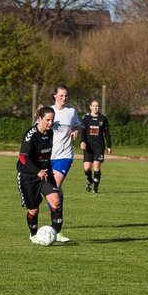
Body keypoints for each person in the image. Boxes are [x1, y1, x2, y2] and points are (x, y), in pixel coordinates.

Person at [17, 106, 63, 243]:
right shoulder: (30, 134)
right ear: (40, 119)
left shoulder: (50, 133)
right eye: (47, 120)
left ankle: (55, 233)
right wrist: (37, 171)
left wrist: (46, 171)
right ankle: (33, 235)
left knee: (56, 202)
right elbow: (23, 158)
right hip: (28, 176)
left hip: (45, 175)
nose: (50, 123)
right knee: (34, 210)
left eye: (52, 120)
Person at [48, 85, 81, 241]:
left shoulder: (71, 111)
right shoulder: (48, 111)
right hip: (47, 157)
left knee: (53, 187)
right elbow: (37, 127)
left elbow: (77, 124)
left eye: (66, 96)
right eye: (61, 95)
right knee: (55, 191)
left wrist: (75, 130)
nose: (64, 98)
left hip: (64, 156)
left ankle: (57, 230)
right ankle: (57, 214)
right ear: (55, 95)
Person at [79, 99, 112, 193]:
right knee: (86, 168)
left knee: (96, 165)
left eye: (97, 106)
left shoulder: (103, 118)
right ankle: (90, 181)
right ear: (90, 107)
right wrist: (82, 142)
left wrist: (109, 146)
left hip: (99, 146)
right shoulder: (86, 118)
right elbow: (83, 132)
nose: (95, 107)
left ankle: (95, 189)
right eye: (93, 106)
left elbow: (107, 133)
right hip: (88, 147)